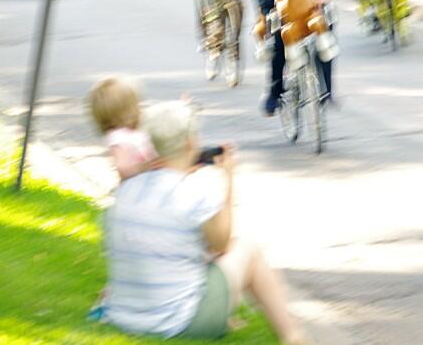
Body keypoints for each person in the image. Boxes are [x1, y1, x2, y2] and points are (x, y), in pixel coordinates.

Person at [103, 100, 307, 344]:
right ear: (191, 142)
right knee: (248, 248)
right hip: (178, 321)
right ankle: (293, 337)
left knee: (197, 251)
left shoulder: (128, 188)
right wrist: (228, 178)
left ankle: (230, 313)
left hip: (126, 315)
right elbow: (221, 244)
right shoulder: (193, 191)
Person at [88, 76, 157, 182]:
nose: (140, 107)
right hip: (136, 191)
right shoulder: (118, 137)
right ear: (124, 112)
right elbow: (123, 168)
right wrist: (145, 166)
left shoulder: (134, 132)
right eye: (136, 104)